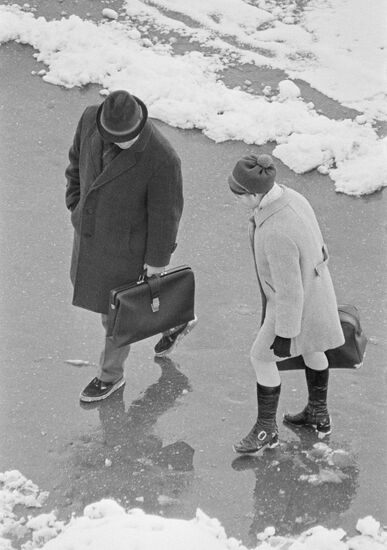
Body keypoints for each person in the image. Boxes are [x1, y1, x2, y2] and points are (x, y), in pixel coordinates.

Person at [65, 90, 197, 403]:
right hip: (90, 239)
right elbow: (75, 164)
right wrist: (75, 205)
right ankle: (176, 320)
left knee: (116, 313)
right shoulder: (89, 118)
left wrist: (156, 261)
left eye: (125, 139)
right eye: (112, 137)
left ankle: (110, 375)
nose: (119, 143)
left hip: (127, 249)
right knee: (111, 302)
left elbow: (166, 215)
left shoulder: (162, 158)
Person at [228, 153, 344, 454]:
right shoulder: (292, 196)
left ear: (256, 194)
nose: (238, 200)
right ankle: (319, 414)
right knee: (313, 347)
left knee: (261, 357)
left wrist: (284, 333)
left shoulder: (276, 231)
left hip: (294, 303)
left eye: (240, 195)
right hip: (317, 289)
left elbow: (289, 291)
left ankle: (266, 430)